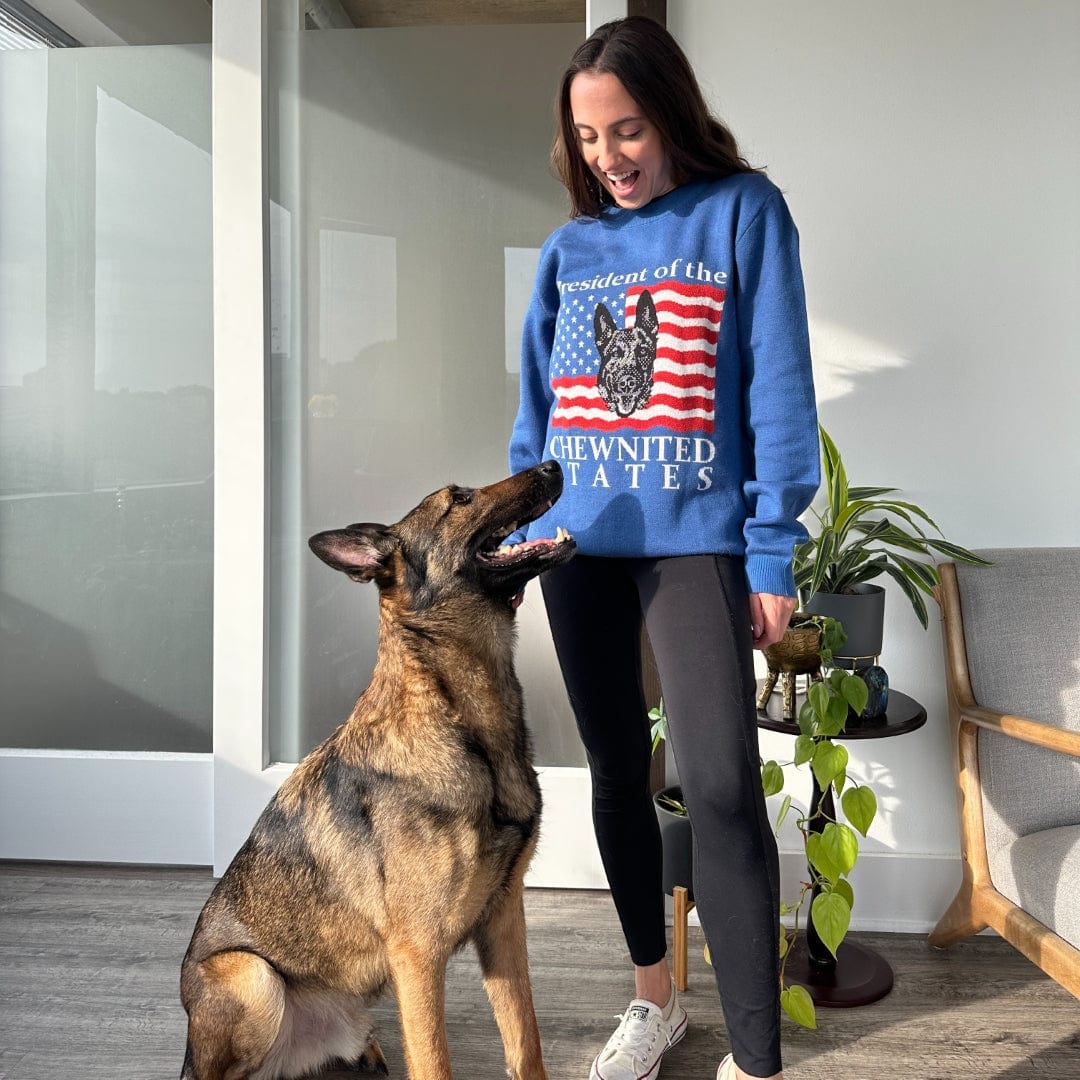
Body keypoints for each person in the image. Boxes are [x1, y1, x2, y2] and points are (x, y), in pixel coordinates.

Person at [507, 15, 820, 1080]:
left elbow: (777, 390)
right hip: (577, 544)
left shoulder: (743, 213)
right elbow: (536, 417)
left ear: (673, 115)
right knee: (613, 771)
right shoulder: (569, 250)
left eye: (628, 131)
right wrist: (525, 531)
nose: (610, 159)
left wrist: (772, 551)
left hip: (696, 541)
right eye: (590, 141)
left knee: (723, 784)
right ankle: (655, 1000)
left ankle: (756, 1056)